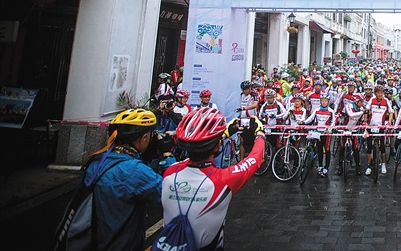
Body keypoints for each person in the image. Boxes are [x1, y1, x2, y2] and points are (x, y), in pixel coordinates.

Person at [162, 107, 266, 250]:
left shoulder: (170, 172)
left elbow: (190, 159)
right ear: (217, 146)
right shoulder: (223, 180)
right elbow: (255, 158)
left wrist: (221, 136)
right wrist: (260, 134)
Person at [83, 108, 162, 251]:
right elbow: (167, 193)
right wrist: (168, 155)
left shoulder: (95, 161)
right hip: (122, 245)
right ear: (144, 138)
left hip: (93, 242)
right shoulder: (135, 170)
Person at [364, 84, 393, 175]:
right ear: (375, 93)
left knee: (382, 147)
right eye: (378, 93)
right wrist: (365, 121)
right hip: (371, 125)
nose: (380, 94)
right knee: (369, 147)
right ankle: (368, 166)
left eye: (381, 93)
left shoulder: (386, 100)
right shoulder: (372, 100)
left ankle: (383, 164)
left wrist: (389, 122)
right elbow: (366, 110)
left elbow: (391, 112)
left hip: (381, 126)